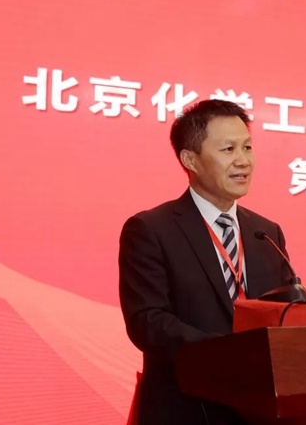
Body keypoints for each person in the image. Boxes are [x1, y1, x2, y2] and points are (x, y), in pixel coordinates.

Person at [119, 100, 292, 425]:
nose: (243, 161)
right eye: (228, 149)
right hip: (186, 407)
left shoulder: (267, 233)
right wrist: (229, 354)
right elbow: (147, 322)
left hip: (260, 411)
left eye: (247, 147)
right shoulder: (152, 229)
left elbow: (283, 312)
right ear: (190, 159)